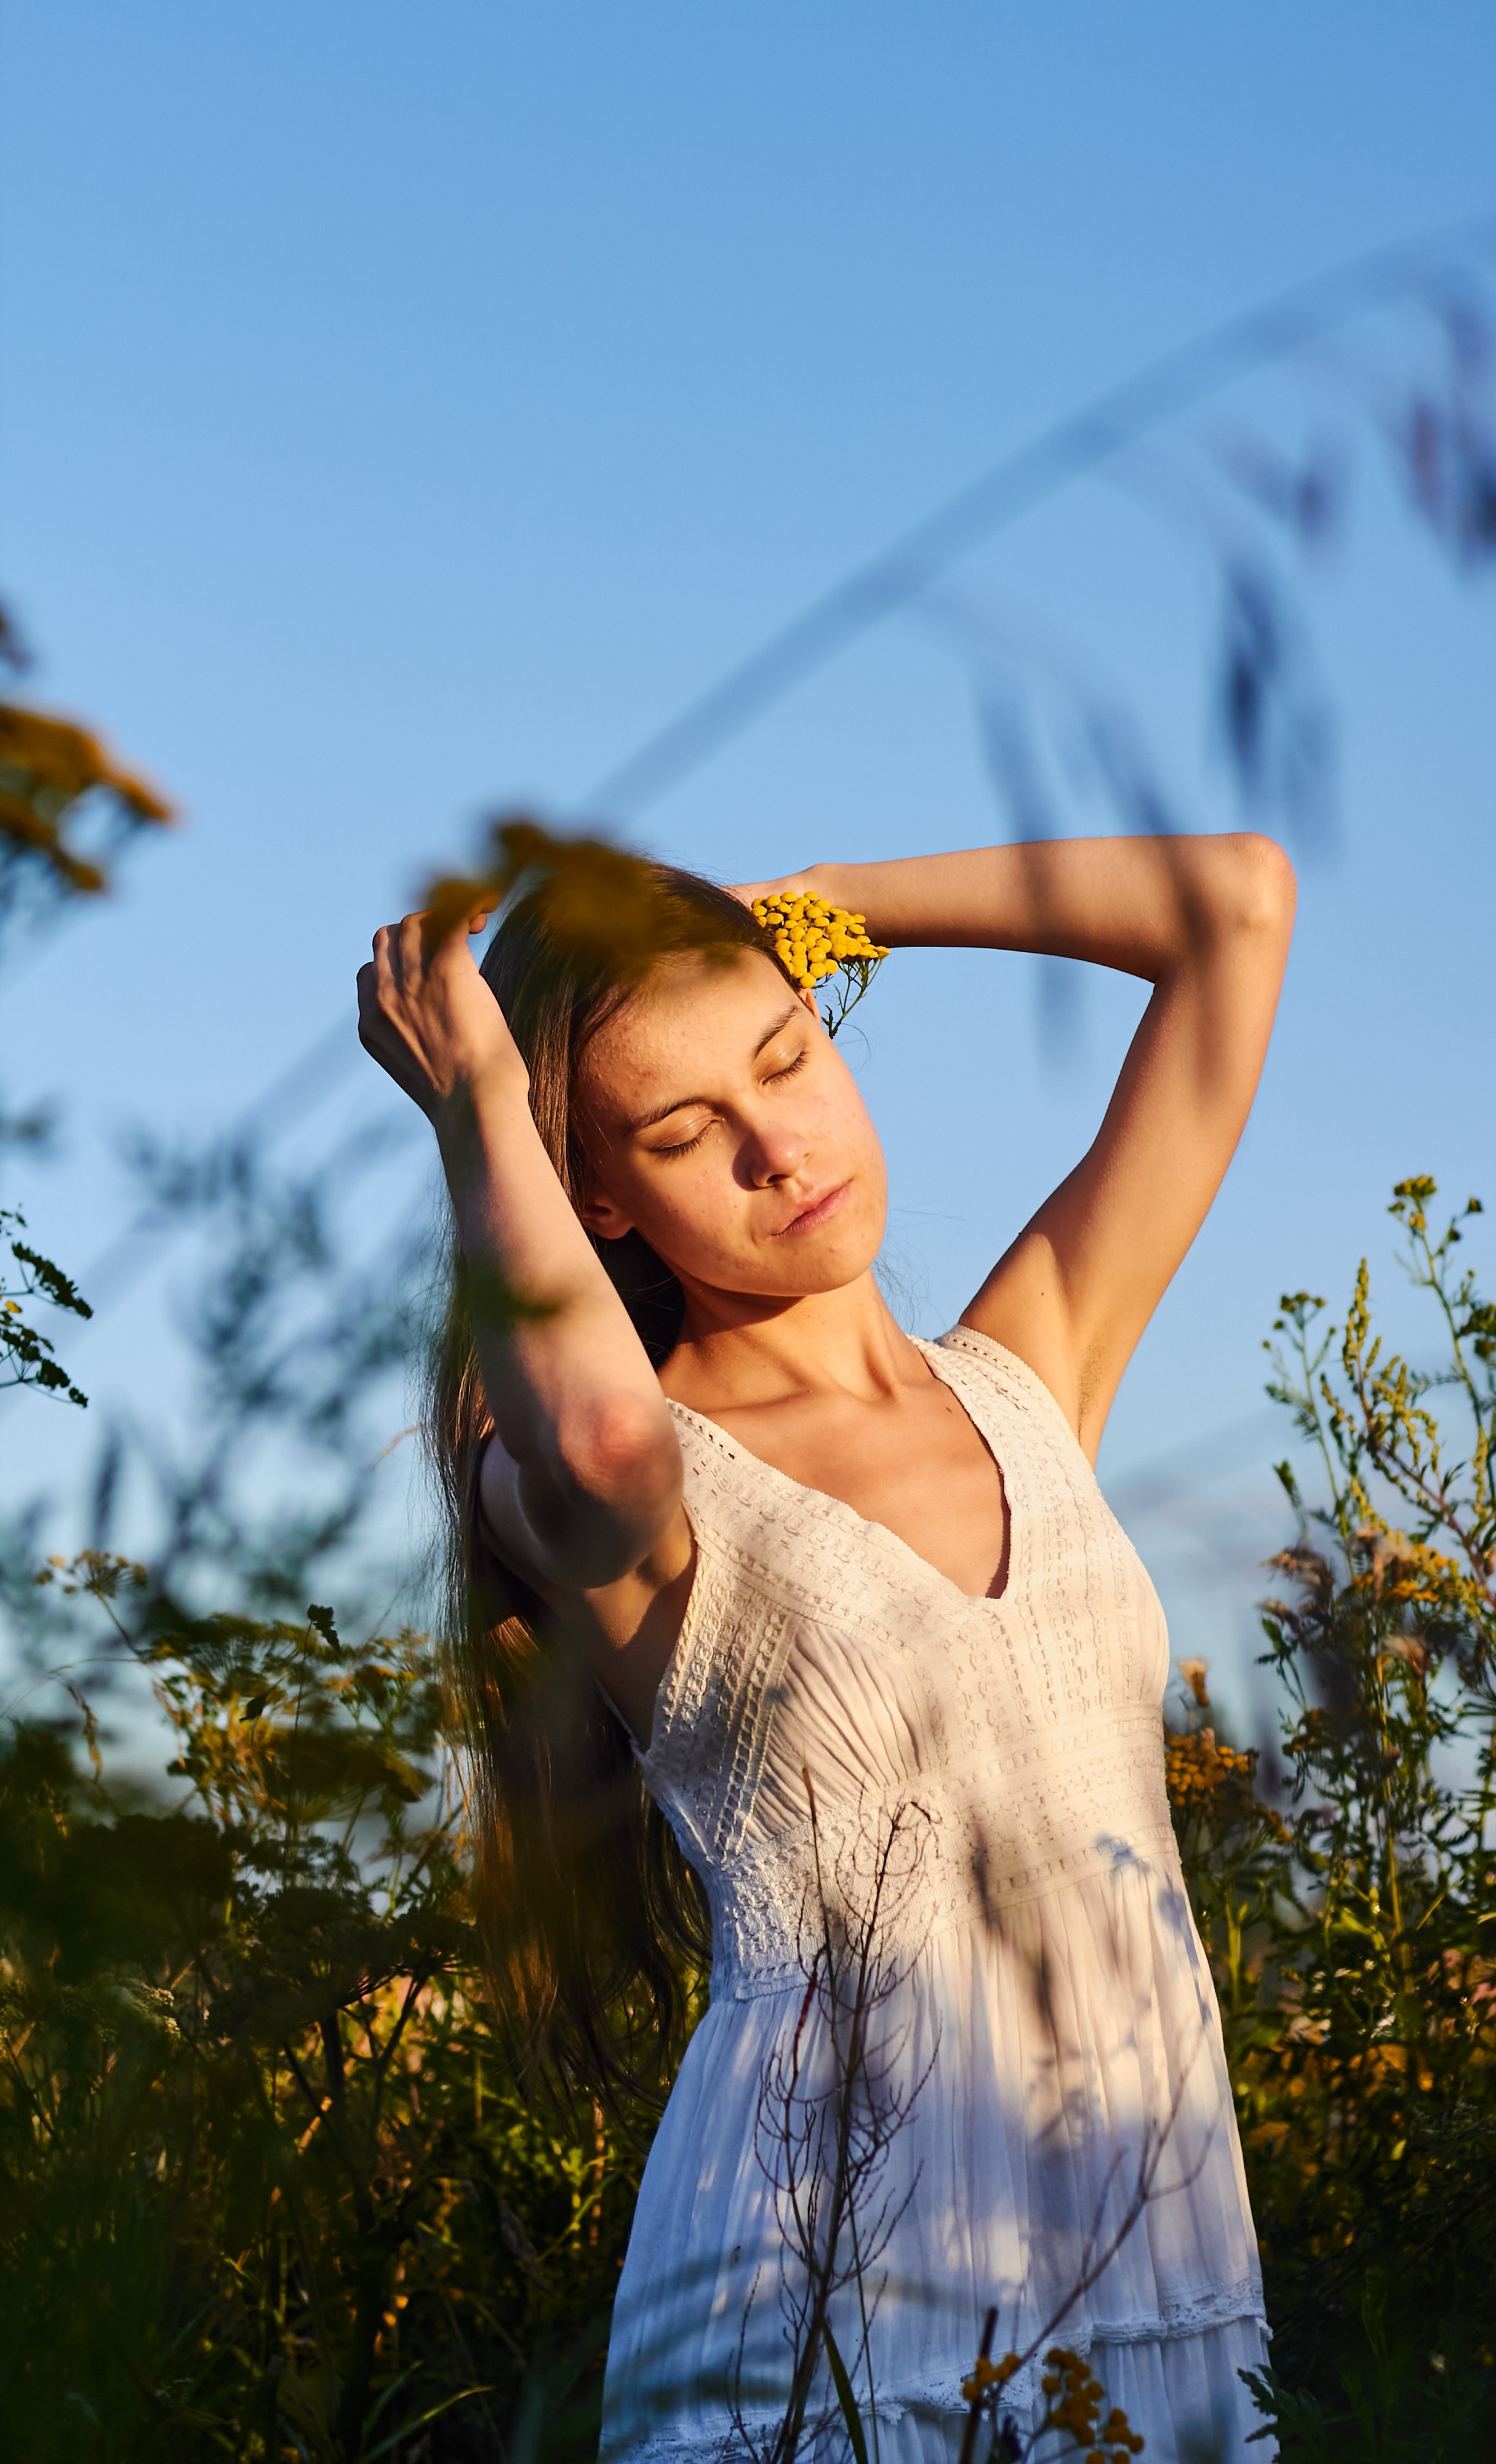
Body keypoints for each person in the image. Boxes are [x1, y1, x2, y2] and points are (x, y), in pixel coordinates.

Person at [357, 832, 1296, 2463]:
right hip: (825, 2266)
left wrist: (798, 910)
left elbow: (1229, 905)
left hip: (1152, 2236)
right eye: (681, 1130)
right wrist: (477, 1110)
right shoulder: (610, 1482)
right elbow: (597, 1447)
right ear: (594, 1198)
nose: (778, 1147)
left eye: (785, 1056)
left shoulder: (1029, 1373)